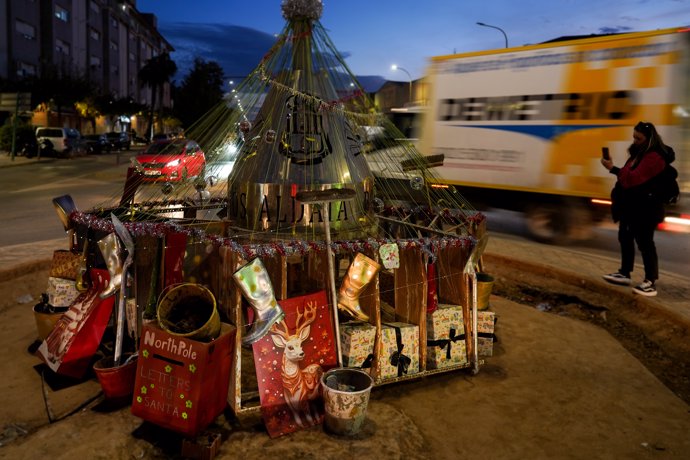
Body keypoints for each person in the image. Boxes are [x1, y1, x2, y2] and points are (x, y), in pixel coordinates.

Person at [600, 121, 674, 297]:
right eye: (633, 137)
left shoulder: (654, 158)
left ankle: (650, 282)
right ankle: (624, 272)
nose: (634, 141)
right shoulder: (638, 153)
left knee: (645, 243)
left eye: (638, 138)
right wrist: (615, 169)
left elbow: (633, 179)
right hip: (631, 206)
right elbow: (627, 176)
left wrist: (612, 168)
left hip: (647, 209)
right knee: (625, 236)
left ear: (649, 139)